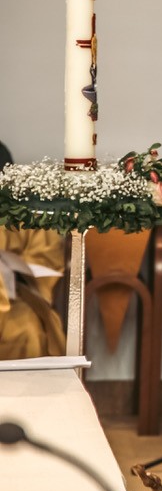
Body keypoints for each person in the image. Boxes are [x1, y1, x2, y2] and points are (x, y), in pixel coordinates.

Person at [0, 142, 67, 360]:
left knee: (28, 330)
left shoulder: (22, 213)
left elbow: (46, 257)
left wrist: (13, 267)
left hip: (12, 299)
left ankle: (25, 395)